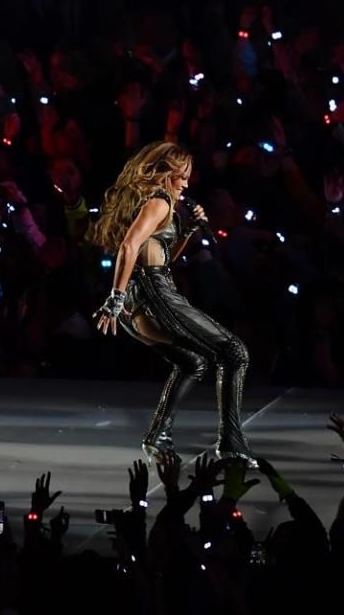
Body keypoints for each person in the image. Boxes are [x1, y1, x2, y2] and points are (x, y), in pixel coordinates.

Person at [87, 141, 256, 466]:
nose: (187, 183)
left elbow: (160, 258)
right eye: (183, 175)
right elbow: (130, 246)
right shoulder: (160, 202)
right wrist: (115, 297)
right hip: (154, 296)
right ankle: (232, 444)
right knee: (235, 352)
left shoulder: (150, 202)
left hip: (143, 295)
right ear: (167, 173)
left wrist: (189, 230)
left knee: (195, 362)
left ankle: (157, 436)